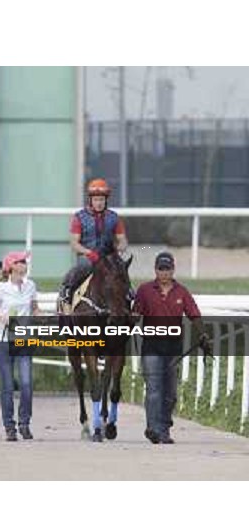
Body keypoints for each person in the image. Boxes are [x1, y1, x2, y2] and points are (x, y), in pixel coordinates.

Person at [134, 251, 210, 445]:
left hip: (173, 347)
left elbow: (194, 314)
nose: (164, 273)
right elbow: (135, 314)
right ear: (155, 270)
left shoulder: (182, 292)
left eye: (167, 269)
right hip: (151, 346)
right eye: (161, 269)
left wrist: (203, 334)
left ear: (173, 270)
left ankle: (164, 429)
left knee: (170, 394)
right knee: (154, 389)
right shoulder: (144, 290)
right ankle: (153, 429)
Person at [0, 251, 41, 442]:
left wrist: (44, 315)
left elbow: (34, 308)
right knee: (7, 386)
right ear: (11, 267)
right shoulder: (0, 288)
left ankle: (24, 423)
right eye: (21, 261)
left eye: (25, 261)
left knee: (26, 384)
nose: (25, 264)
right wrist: (0, 318)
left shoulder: (31, 286)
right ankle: (9, 426)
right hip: (3, 341)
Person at [59, 178, 129, 311]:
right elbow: (74, 243)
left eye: (101, 200)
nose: (99, 203)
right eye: (96, 200)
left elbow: (123, 240)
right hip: (88, 257)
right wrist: (88, 252)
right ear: (90, 200)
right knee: (77, 272)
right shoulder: (79, 217)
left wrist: (119, 248)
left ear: (106, 200)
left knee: (121, 272)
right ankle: (66, 297)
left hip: (109, 257)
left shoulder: (114, 217)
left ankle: (130, 299)